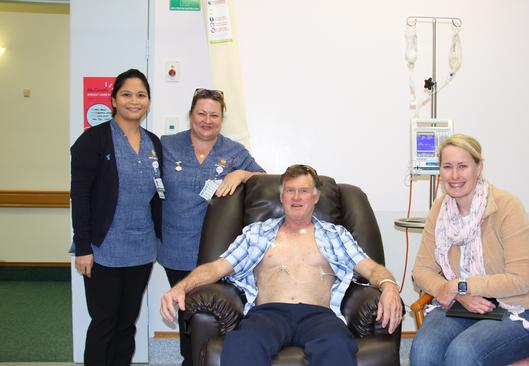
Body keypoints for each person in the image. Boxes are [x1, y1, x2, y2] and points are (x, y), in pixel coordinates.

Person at [160, 164, 403, 366]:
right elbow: (216, 267)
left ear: (316, 196)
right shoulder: (257, 233)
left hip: (319, 316)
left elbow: (371, 268)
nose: (296, 197)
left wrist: (389, 286)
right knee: (243, 347)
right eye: (290, 190)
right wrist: (182, 287)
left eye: (304, 191)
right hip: (268, 314)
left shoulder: (335, 234)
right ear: (281, 196)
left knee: (337, 348)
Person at [410, 134, 529, 366]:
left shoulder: (507, 206)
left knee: (463, 353)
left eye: (463, 166)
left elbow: (521, 280)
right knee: (424, 349)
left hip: (520, 307)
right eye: (447, 167)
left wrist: (460, 285)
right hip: (464, 304)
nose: (455, 175)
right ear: (440, 171)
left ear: (479, 168)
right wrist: (459, 295)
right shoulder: (440, 210)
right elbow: (421, 270)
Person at [157, 88, 264, 365]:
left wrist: (241, 174)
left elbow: (264, 179)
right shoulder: (167, 145)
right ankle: (189, 359)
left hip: (215, 252)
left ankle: (206, 360)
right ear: (190, 115)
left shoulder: (233, 151)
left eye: (214, 115)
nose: (207, 120)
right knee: (186, 312)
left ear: (222, 118)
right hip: (176, 247)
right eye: (201, 113)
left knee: (210, 314)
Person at [70, 68, 162, 366]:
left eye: (141, 95)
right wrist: (83, 246)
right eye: (126, 94)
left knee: (127, 324)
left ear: (148, 101)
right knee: (104, 324)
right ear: (113, 100)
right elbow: (80, 197)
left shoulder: (153, 143)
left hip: (141, 248)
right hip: (103, 249)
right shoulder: (92, 140)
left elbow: (158, 195)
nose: (134, 101)